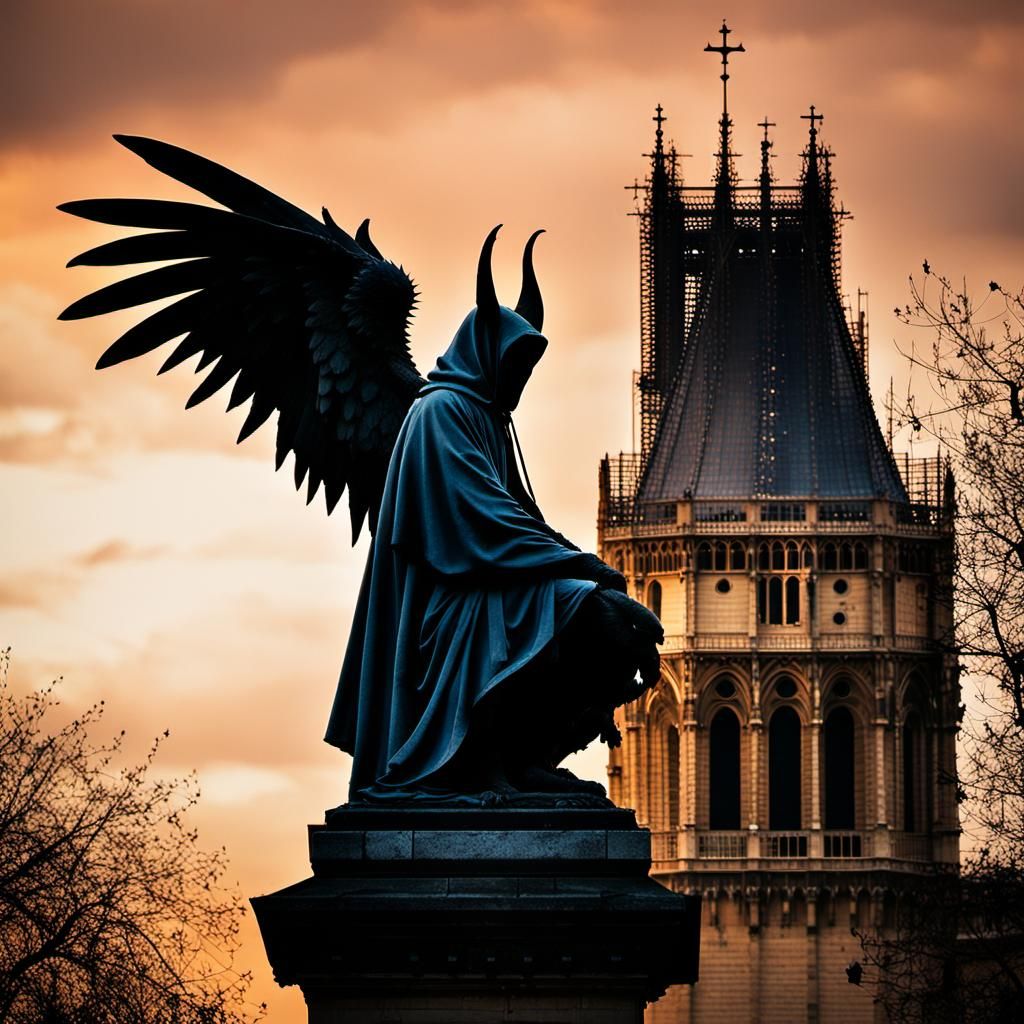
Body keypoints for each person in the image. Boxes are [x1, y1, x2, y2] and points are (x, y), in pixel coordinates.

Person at [325, 252, 661, 805]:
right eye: (518, 369)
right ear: (488, 355)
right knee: (564, 611)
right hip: (448, 596)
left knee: (597, 610)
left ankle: (527, 755)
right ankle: (480, 765)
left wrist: (593, 575)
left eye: (528, 372)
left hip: (486, 579)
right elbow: (480, 519)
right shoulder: (440, 411)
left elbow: (524, 518)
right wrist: (581, 566)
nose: (523, 381)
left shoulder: (484, 417)